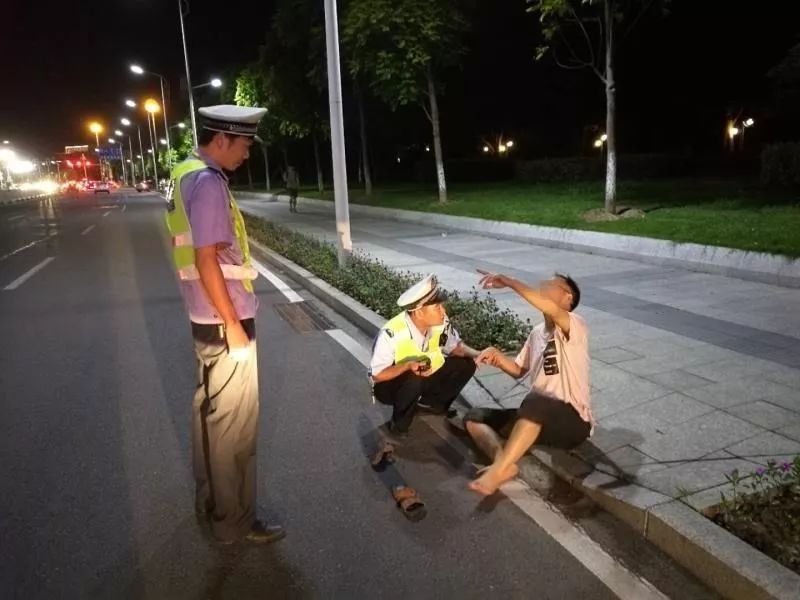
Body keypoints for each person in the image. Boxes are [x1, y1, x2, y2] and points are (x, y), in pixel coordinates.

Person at [165, 105, 285, 544]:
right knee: (234, 426)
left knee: (209, 416)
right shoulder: (209, 183)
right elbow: (206, 257)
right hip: (224, 319)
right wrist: (234, 325)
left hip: (202, 315)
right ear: (222, 140)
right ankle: (233, 522)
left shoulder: (185, 172)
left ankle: (212, 503)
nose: (247, 154)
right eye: (245, 145)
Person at [465, 270, 593, 496]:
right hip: (537, 415)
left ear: (568, 298)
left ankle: (497, 471)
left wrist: (509, 281)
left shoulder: (574, 325)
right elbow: (519, 370)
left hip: (572, 422)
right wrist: (497, 356)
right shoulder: (537, 333)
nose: (544, 286)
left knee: (536, 401)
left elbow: (551, 309)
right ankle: (502, 463)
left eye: (553, 286)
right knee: (474, 417)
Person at [369, 274, 482, 439]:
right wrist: (407, 366)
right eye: (437, 307)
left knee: (467, 364)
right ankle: (399, 425)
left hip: (427, 373)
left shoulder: (441, 323)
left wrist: (480, 354)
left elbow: (455, 347)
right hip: (391, 386)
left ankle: (434, 405)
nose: (443, 311)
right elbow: (377, 375)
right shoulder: (392, 333)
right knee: (414, 379)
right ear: (420, 312)